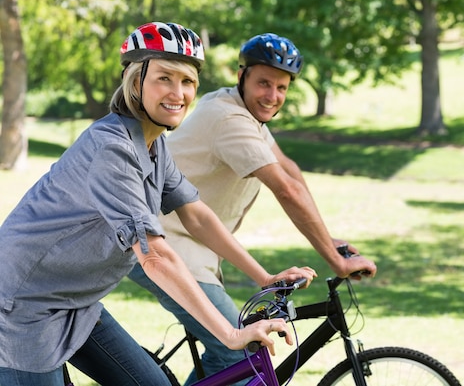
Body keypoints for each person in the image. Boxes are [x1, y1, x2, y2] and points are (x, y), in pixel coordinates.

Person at [0, 23, 316, 386]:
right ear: (136, 82)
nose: (178, 93)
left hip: (77, 302)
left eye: (187, 82)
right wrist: (230, 335)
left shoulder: (153, 145)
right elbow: (155, 257)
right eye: (164, 78)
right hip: (21, 308)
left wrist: (264, 278)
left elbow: (196, 216)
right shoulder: (112, 148)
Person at [128, 33, 377, 385]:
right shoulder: (229, 119)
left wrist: (329, 239)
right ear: (242, 75)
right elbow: (285, 190)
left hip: (192, 247)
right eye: (263, 83)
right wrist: (336, 261)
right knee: (240, 350)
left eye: (282, 88)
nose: (272, 96)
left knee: (230, 362)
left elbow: (288, 169)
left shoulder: (247, 115)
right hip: (163, 245)